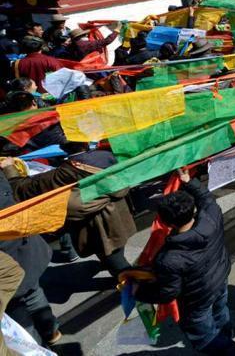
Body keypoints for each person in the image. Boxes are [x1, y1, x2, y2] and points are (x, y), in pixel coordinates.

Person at [132, 169, 235, 355]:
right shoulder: (212, 216)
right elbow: (207, 198)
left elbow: (168, 292)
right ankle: (226, 335)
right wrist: (188, 181)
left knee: (206, 338)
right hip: (220, 278)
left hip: (198, 297)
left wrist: (139, 291)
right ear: (193, 209)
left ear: (168, 224)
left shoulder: (169, 258)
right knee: (221, 310)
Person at [2, 146, 135, 277]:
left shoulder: (65, 172)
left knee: (117, 263)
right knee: (116, 251)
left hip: (99, 229)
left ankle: (133, 286)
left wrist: (9, 168)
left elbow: (22, 189)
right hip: (118, 217)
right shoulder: (106, 156)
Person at [0, 174, 60, 347]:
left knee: (15, 307)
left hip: (7, 258)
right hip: (21, 244)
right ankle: (51, 332)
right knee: (33, 290)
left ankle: (37, 346)